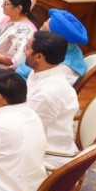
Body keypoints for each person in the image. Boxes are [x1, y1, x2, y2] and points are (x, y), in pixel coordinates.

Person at [24, 31, 80, 168]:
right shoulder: (42, 71)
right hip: (35, 135)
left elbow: (24, 129)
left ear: (38, 56)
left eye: (27, 48)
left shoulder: (48, 93)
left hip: (46, 157)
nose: (24, 51)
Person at [18, 10, 89, 84]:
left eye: (44, 27)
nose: (40, 29)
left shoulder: (63, 69)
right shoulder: (68, 47)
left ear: (53, 38)